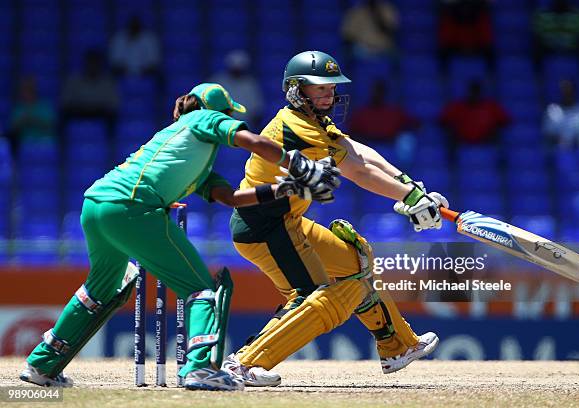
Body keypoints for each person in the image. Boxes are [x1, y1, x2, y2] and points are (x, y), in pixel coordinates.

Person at [19, 83, 340, 391]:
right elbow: (253, 142)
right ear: (219, 111)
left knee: (98, 291)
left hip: (96, 206)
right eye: (229, 114)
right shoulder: (203, 118)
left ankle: (42, 364)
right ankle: (199, 369)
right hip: (134, 209)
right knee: (202, 291)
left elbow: (231, 198)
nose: (230, 120)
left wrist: (287, 189)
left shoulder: (185, 146)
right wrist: (298, 164)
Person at [220, 51, 447, 387]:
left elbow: (358, 151)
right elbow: (356, 171)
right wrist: (409, 198)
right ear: (297, 89)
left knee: (356, 261)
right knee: (318, 295)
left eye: (331, 88)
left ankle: (396, 347)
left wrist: (409, 186)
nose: (329, 94)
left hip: (289, 224)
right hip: (265, 228)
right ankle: (242, 364)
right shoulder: (295, 129)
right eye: (320, 88)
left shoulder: (315, 121)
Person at [439, 79, 510, 148]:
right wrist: (455, 133)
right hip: (460, 144)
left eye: (477, 92)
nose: (475, 95)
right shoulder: (456, 106)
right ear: (468, 92)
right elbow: (442, 121)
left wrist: (492, 133)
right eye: (473, 91)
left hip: (487, 143)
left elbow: (505, 121)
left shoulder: (491, 106)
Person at [60, 49, 118, 131]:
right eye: (90, 63)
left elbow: (114, 104)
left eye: (95, 64)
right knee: (64, 114)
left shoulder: (108, 82)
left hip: (100, 113)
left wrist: (96, 107)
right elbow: (65, 102)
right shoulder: (74, 81)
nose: (92, 67)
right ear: (85, 65)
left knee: (112, 116)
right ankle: (64, 142)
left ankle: (111, 142)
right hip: (78, 112)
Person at [347, 79, 420, 143]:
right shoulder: (361, 112)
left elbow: (413, 124)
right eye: (376, 91)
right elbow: (352, 132)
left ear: (384, 93)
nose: (377, 95)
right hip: (367, 148)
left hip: (390, 147)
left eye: (380, 92)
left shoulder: (394, 112)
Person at [209, 50, 264, 129]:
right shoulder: (217, 81)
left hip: (244, 125)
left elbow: (257, 108)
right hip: (221, 123)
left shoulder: (251, 84)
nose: (236, 71)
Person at [532, 0, 579, 71]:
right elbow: (538, 32)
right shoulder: (542, 14)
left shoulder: (577, 14)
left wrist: (569, 39)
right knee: (536, 44)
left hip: (570, 44)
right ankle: (538, 76)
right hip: (550, 44)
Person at [437, 0, 495, 71]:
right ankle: (443, 73)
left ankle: (491, 74)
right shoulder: (450, 15)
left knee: (489, 50)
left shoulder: (480, 15)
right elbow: (446, 37)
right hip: (456, 40)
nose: (465, 10)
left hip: (475, 40)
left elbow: (486, 37)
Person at [8, 76, 57, 155]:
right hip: (25, 144)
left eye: (30, 89)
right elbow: (13, 129)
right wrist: (24, 120)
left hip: (46, 143)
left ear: (35, 90)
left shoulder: (45, 106)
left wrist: (33, 119)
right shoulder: (18, 108)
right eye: (25, 89)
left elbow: (52, 125)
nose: (27, 92)